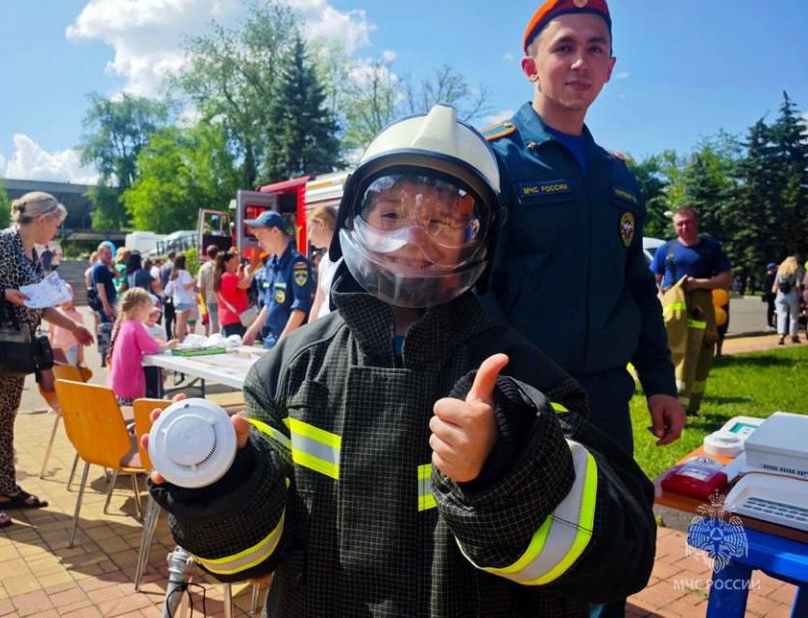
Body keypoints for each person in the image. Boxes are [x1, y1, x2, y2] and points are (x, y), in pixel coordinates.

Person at [143, 105, 656, 617]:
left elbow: (623, 558)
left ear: (481, 237)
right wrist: (220, 486)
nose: (412, 240)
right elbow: (246, 560)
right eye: (391, 215)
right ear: (354, 218)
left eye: (441, 222)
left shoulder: (517, 373)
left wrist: (504, 464)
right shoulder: (290, 369)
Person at [480, 0, 683, 458]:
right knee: (527, 532)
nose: (580, 61)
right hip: (522, 402)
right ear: (530, 66)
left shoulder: (618, 177)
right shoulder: (491, 159)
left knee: (616, 528)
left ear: (610, 69)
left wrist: (658, 382)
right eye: (564, 47)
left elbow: (636, 290)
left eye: (596, 49)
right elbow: (474, 292)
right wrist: (512, 384)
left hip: (608, 404)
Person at [0, 192, 93, 528]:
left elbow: (38, 303)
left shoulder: (33, 256)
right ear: (42, 219)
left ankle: (4, 488)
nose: (57, 230)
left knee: (3, 419)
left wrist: (73, 327)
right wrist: (0, 292)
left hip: (13, 349)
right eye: (57, 223)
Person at [650, 207, 732, 413]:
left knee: (701, 351)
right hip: (673, 309)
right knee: (672, 351)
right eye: (679, 223)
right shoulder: (666, 250)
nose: (684, 227)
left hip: (700, 309)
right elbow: (654, 280)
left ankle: (692, 405)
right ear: (674, 226)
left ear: (697, 223)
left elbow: (726, 278)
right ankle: (673, 402)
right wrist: (660, 298)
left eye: (688, 222)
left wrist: (700, 283)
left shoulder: (710, 248)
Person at [242, 211, 315, 348]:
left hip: (290, 342)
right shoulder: (270, 264)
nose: (259, 244)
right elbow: (269, 303)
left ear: (275, 231)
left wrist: (282, 343)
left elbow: (300, 308)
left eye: (261, 237)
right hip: (270, 339)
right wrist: (253, 330)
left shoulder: (298, 264)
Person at [107, 288, 174, 405]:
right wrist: (168, 345)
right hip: (129, 385)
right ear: (139, 310)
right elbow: (152, 347)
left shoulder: (125, 325)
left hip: (119, 383)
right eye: (149, 312)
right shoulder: (136, 326)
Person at [307, 205, 340, 321]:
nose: (308, 237)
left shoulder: (346, 258)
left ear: (321, 224)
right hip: (324, 329)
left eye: (309, 229)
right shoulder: (324, 261)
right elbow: (318, 302)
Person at [90, 243, 118, 367]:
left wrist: (112, 266)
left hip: (107, 303)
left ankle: (106, 356)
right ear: (100, 254)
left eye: (110, 254)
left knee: (106, 329)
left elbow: (118, 275)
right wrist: (106, 305)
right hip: (105, 304)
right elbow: (100, 287)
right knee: (106, 329)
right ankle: (106, 356)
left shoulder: (104, 268)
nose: (109, 256)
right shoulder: (100, 268)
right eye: (106, 254)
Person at [214, 250, 253, 337]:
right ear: (226, 263)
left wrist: (240, 271)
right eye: (235, 260)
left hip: (230, 318)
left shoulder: (224, 276)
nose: (237, 262)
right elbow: (245, 284)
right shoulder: (227, 276)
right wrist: (247, 271)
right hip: (234, 319)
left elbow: (237, 284)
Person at [49, 284, 86, 366]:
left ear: (72, 299)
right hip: (57, 348)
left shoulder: (77, 315)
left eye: (67, 299)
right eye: (62, 299)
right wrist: (51, 348)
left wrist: (81, 353)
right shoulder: (54, 313)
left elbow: (81, 337)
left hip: (71, 348)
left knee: (71, 372)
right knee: (59, 372)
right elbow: (52, 332)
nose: (64, 302)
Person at [169, 254, 198, 341]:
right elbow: (186, 286)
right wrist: (195, 281)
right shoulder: (184, 273)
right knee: (182, 323)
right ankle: (180, 341)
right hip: (185, 300)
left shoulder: (174, 273)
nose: (187, 263)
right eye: (186, 261)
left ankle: (178, 340)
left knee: (179, 323)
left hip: (177, 300)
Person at [773, 256, 802, 345]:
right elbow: (798, 285)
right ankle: (793, 336)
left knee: (781, 315)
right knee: (794, 316)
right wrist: (800, 295)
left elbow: (775, 285)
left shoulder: (780, 270)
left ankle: (781, 335)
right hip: (792, 294)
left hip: (780, 295)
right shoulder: (796, 270)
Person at [197, 245, 221, 335]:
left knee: (214, 322)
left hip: (210, 298)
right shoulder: (222, 265)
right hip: (222, 297)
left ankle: (214, 339)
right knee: (223, 321)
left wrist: (203, 301)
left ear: (208, 254)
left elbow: (201, 287)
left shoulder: (203, 268)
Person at [159, 250, 177, 339]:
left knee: (167, 318)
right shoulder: (174, 266)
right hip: (173, 293)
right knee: (175, 317)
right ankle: (175, 335)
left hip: (165, 293)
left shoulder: (162, 267)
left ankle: (168, 335)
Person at [762, 262, 778, 329]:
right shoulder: (769, 276)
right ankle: (770, 323)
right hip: (770, 294)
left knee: (773, 309)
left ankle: (773, 323)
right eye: (774, 268)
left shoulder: (771, 275)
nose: (776, 269)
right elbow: (771, 286)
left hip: (771, 294)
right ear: (771, 269)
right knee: (771, 309)